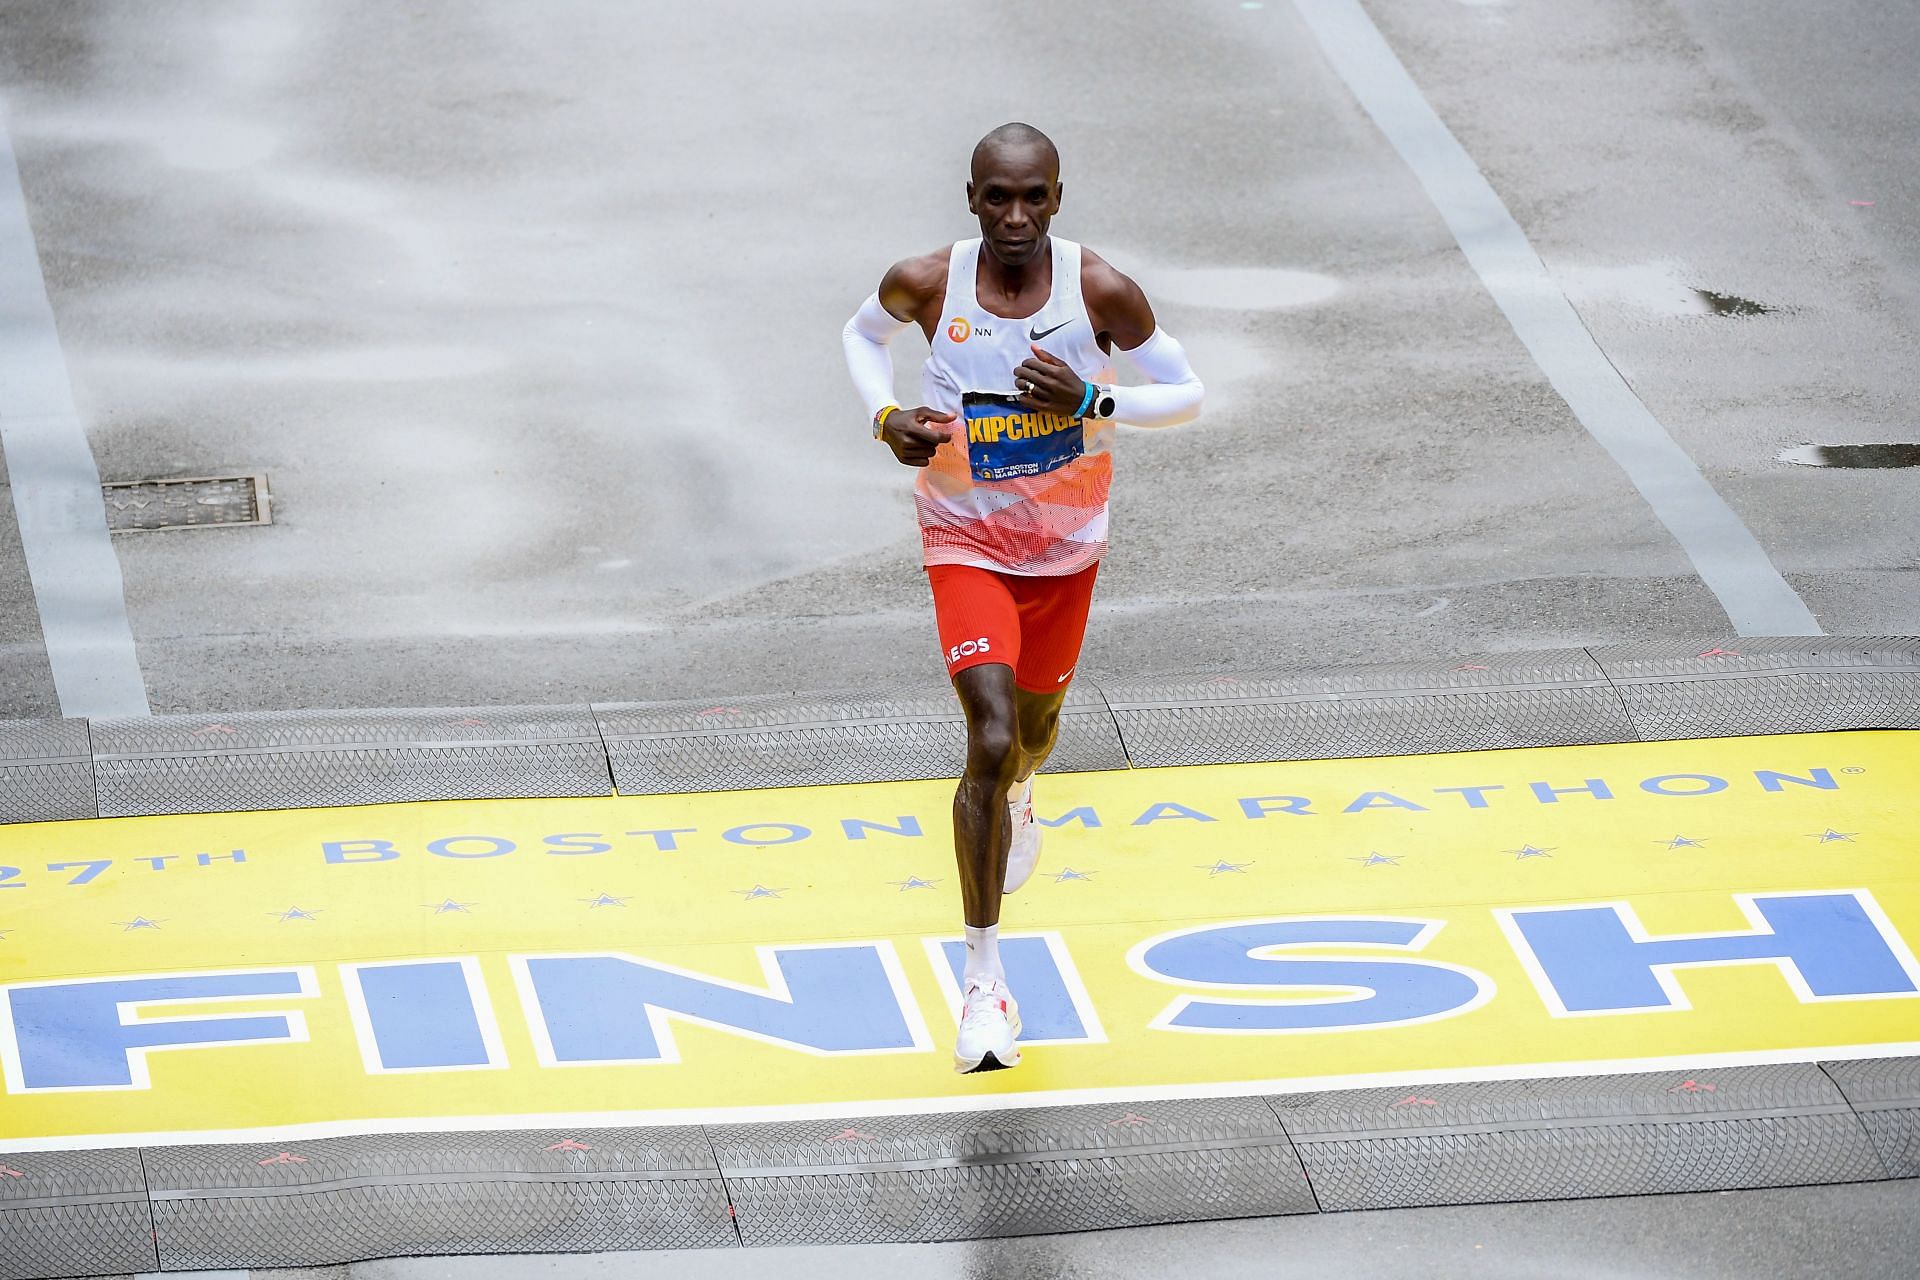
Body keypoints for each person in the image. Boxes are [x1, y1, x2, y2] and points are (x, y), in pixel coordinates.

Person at [841, 122, 1203, 1072]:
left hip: (1065, 553)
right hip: (963, 541)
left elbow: (1189, 391)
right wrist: (885, 416)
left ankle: (1028, 793)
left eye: (1031, 197)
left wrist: (1092, 402)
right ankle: (983, 985)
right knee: (990, 739)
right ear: (970, 198)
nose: (1013, 216)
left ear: (1056, 197)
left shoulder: (1100, 291)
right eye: (995, 197)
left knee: (1032, 739)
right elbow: (860, 333)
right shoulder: (928, 281)